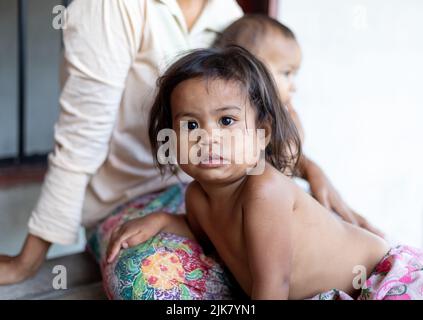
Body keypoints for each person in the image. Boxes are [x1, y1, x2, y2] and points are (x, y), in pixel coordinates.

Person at [107, 46, 423, 300]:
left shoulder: (263, 189)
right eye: (190, 125)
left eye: (226, 121)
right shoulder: (197, 195)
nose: (208, 137)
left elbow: (274, 286)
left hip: (377, 279)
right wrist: (163, 220)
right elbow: (209, 241)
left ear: (262, 134)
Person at [214, 15, 383, 236]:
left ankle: (363, 234)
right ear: (251, 70)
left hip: (281, 199)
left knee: (340, 217)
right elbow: (279, 167)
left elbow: (289, 163)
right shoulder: (236, 121)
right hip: (255, 211)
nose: (293, 86)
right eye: (286, 73)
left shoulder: (282, 115)